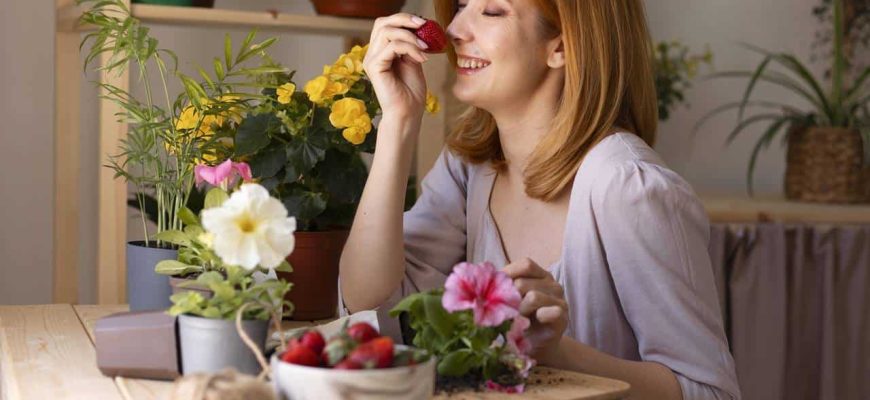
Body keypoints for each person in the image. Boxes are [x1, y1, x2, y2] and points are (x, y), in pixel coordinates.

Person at [339, 1, 741, 399]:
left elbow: (708, 392)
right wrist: (399, 118)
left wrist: (557, 352)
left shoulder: (628, 187)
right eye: (461, 5)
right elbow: (369, 302)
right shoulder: (469, 167)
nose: (454, 29)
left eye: (493, 11)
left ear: (561, 47)